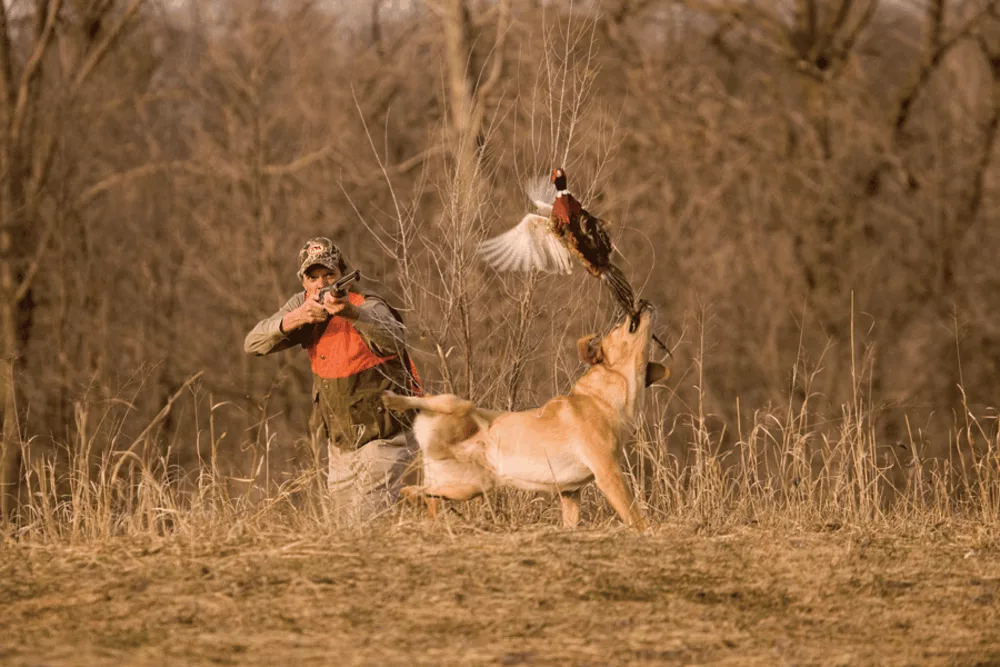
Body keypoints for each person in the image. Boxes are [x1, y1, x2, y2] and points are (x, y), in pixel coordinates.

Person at [244, 237, 421, 519]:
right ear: (303, 282)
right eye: (312, 276)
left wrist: (352, 314)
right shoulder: (301, 306)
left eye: (329, 274)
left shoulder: (368, 305)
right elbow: (253, 344)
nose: (321, 282)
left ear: (344, 277)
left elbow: (395, 339)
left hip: (384, 434)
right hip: (341, 440)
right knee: (342, 527)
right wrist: (296, 318)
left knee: (366, 522)